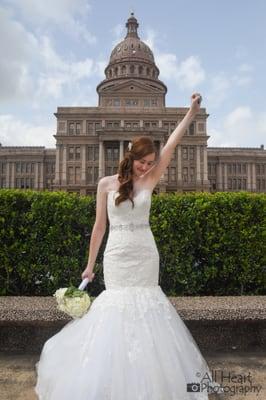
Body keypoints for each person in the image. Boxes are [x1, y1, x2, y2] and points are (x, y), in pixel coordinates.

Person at [35, 93, 222, 399]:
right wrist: (89, 265)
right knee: (115, 309)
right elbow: (99, 227)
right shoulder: (105, 185)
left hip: (145, 252)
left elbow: (172, 143)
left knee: (149, 307)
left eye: (151, 163)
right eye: (143, 162)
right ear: (131, 157)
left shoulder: (150, 181)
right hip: (117, 253)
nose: (146, 168)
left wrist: (191, 113)